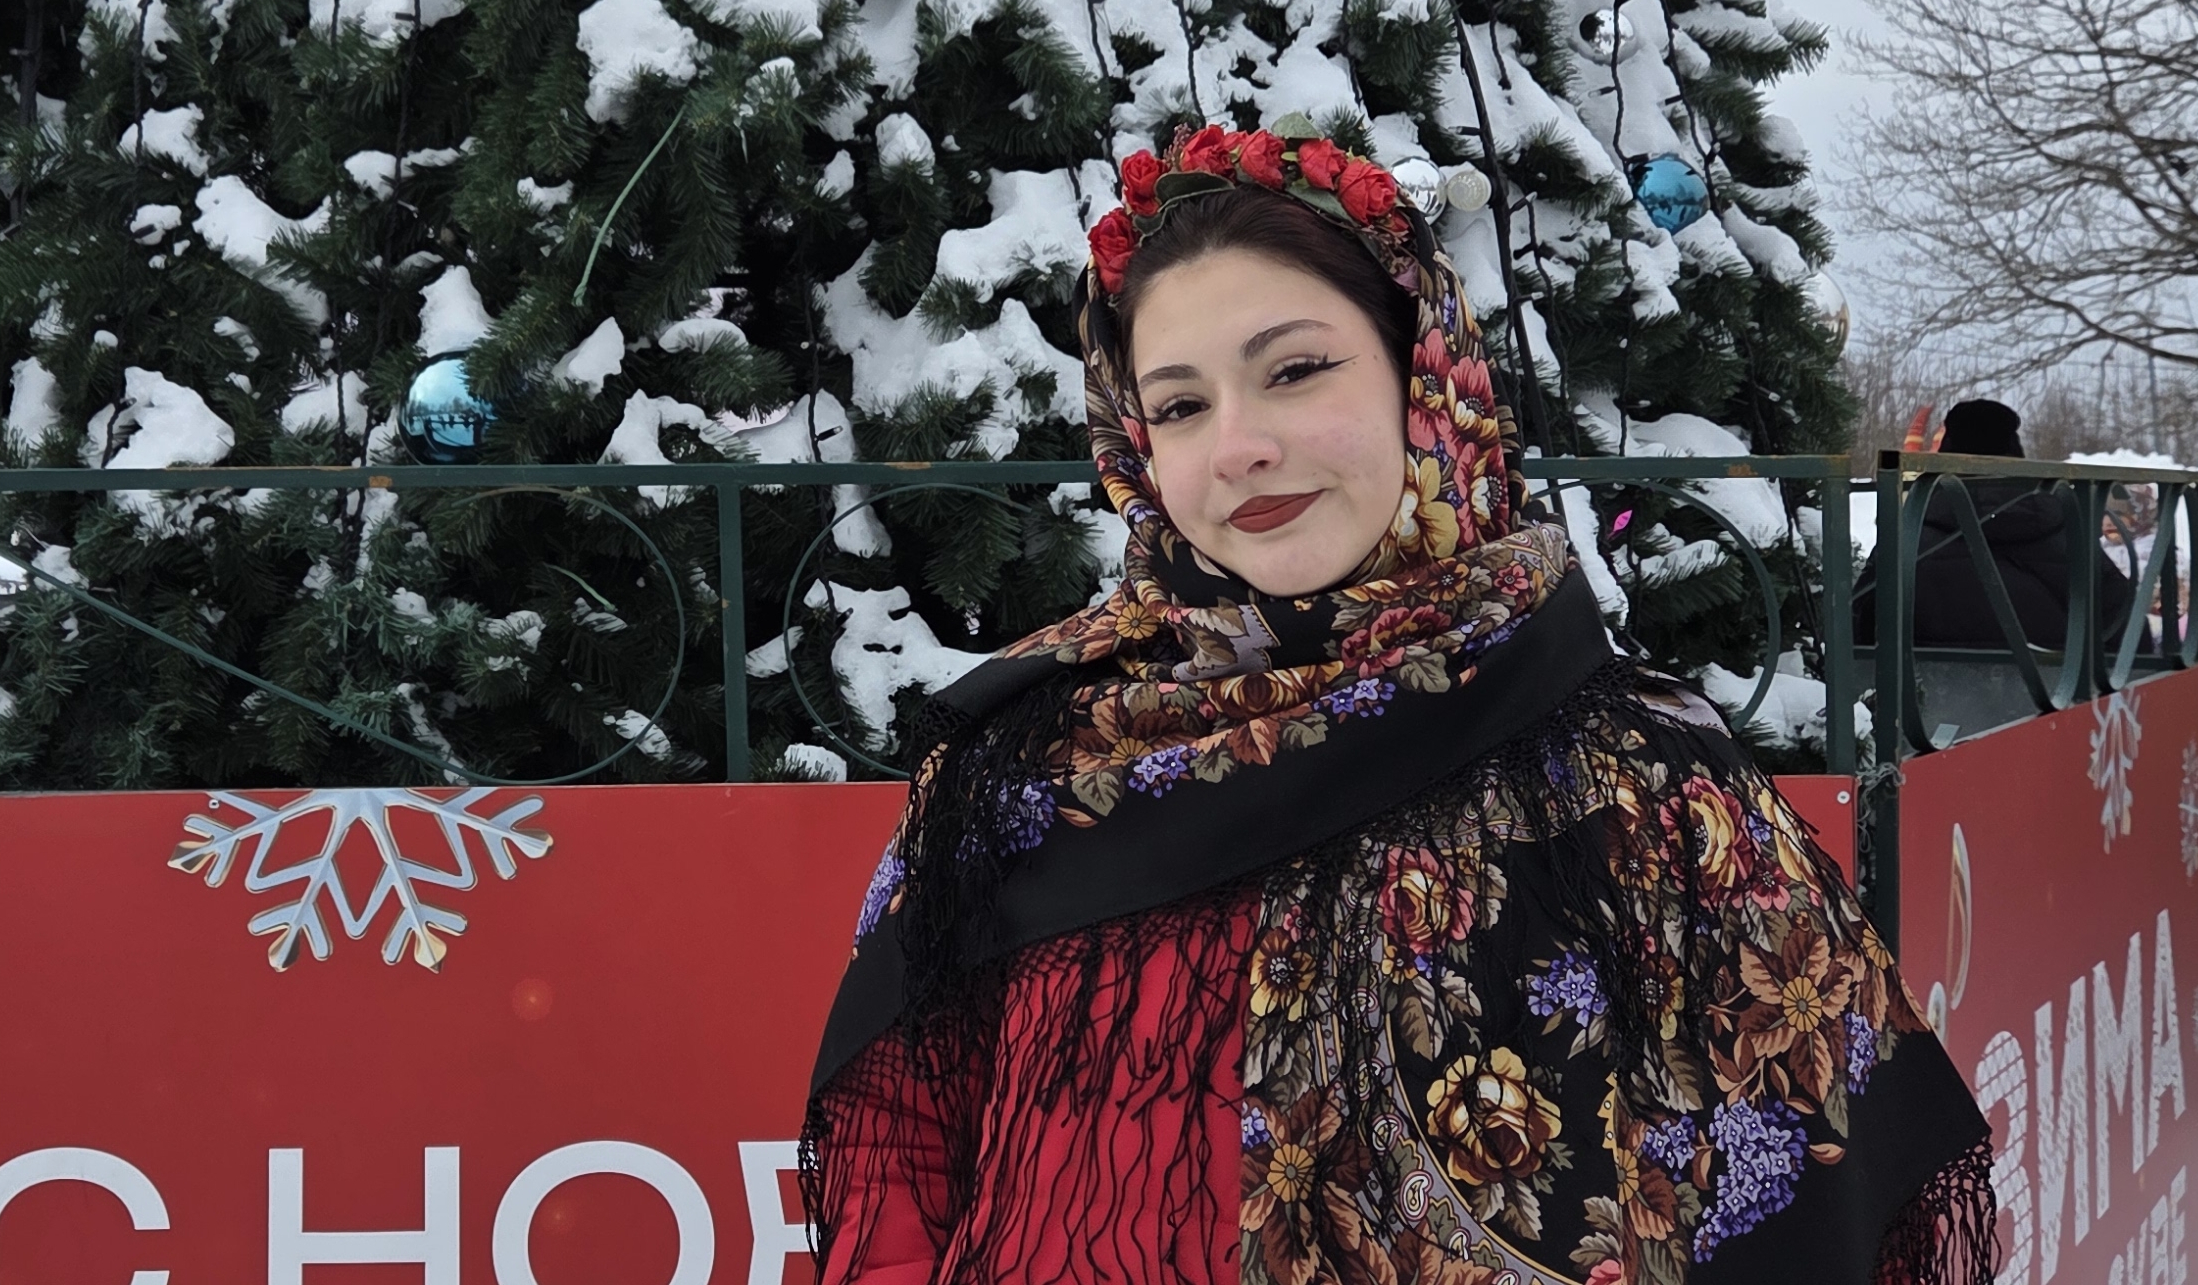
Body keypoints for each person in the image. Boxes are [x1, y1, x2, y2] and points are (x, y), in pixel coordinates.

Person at [800, 124, 1996, 1285]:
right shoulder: (1022, 772)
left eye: (1293, 370)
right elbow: (898, 1180)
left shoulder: (1644, 776)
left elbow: (1811, 1190)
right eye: (1178, 406)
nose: (1237, 446)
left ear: (1420, 376)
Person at [1855, 399, 2133, 651]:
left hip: (1925, 691)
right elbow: (2130, 642)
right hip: (2059, 691)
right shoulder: (2071, 542)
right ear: (2017, 456)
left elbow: (1856, 638)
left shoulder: (1905, 542)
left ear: (1945, 457)